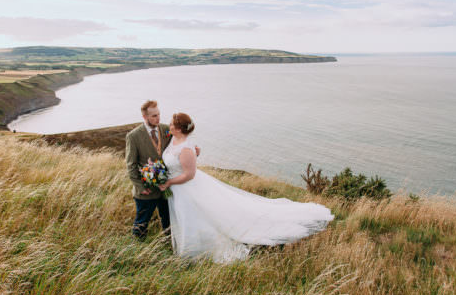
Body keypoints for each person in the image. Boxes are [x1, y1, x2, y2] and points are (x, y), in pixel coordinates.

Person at [159, 112, 334, 263]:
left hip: (186, 186)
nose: (169, 125)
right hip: (179, 189)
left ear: (180, 129)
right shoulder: (173, 138)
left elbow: (190, 174)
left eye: (172, 124)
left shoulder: (186, 149)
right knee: (186, 217)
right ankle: (188, 248)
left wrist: (169, 182)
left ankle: (197, 250)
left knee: (194, 216)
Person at [125, 100, 199, 240]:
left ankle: (170, 246)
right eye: (153, 116)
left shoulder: (166, 129)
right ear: (144, 117)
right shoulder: (133, 136)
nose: (158, 118)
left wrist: (194, 151)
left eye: (158, 114)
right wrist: (140, 187)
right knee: (141, 223)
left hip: (167, 190)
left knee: (169, 222)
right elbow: (131, 165)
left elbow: (181, 142)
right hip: (147, 190)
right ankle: (137, 251)